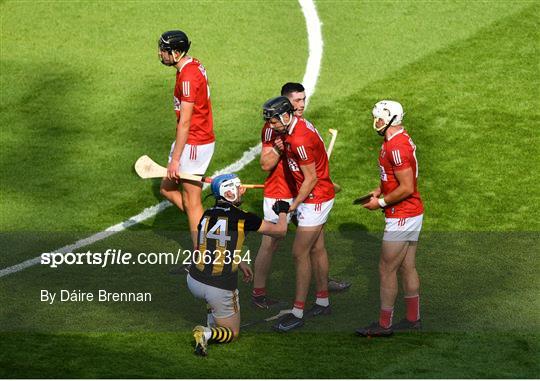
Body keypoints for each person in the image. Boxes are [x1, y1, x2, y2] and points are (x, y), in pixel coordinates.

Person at [253, 83, 350, 309]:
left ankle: (321, 287)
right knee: (271, 242)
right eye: (296, 101)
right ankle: (259, 294)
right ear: (286, 104)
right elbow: (265, 164)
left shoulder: (302, 126)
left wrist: (324, 182)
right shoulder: (272, 128)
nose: (302, 105)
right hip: (280, 190)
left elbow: (312, 166)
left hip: (305, 191)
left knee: (316, 246)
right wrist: (278, 148)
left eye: (303, 99)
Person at [187, 174, 290, 356]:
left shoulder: (207, 213)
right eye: (238, 188)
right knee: (233, 333)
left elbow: (209, 246)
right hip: (218, 288)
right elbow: (280, 232)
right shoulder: (243, 218)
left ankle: (212, 318)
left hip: (193, 280)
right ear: (229, 192)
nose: (242, 191)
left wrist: (239, 262)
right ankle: (207, 332)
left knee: (211, 293)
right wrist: (283, 211)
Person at [261, 96, 335, 332]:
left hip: (315, 199)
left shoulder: (299, 138)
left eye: (273, 121)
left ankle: (298, 311)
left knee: (298, 252)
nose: (270, 126)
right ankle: (323, 301)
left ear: (285, 116)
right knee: (317, 248)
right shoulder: (294, 129)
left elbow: (311, 178)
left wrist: (291, 207)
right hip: (315, 195)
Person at [355, 100, 424, 337]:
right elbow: (394, 178)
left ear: (391, 118)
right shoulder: (395, 141)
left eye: (380, 118)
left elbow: (406, 187)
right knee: (407, 267)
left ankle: (384, 325)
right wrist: (379, 189)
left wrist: (380, 203)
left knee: (386, 269)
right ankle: (413, 319)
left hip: (402, 216)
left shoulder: (396, 147)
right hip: (411, 213)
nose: (376, 122)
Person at [157, 30, 215, 249]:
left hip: (194, 143)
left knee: (192, 201)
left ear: (176, 52)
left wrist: (175, 159)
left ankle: (202, 256)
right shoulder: (191, 66)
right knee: (167, 189)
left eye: (164, 50)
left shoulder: (188, 77)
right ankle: (207, 228)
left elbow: (185, 121)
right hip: (191, 141)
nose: (160, 54)